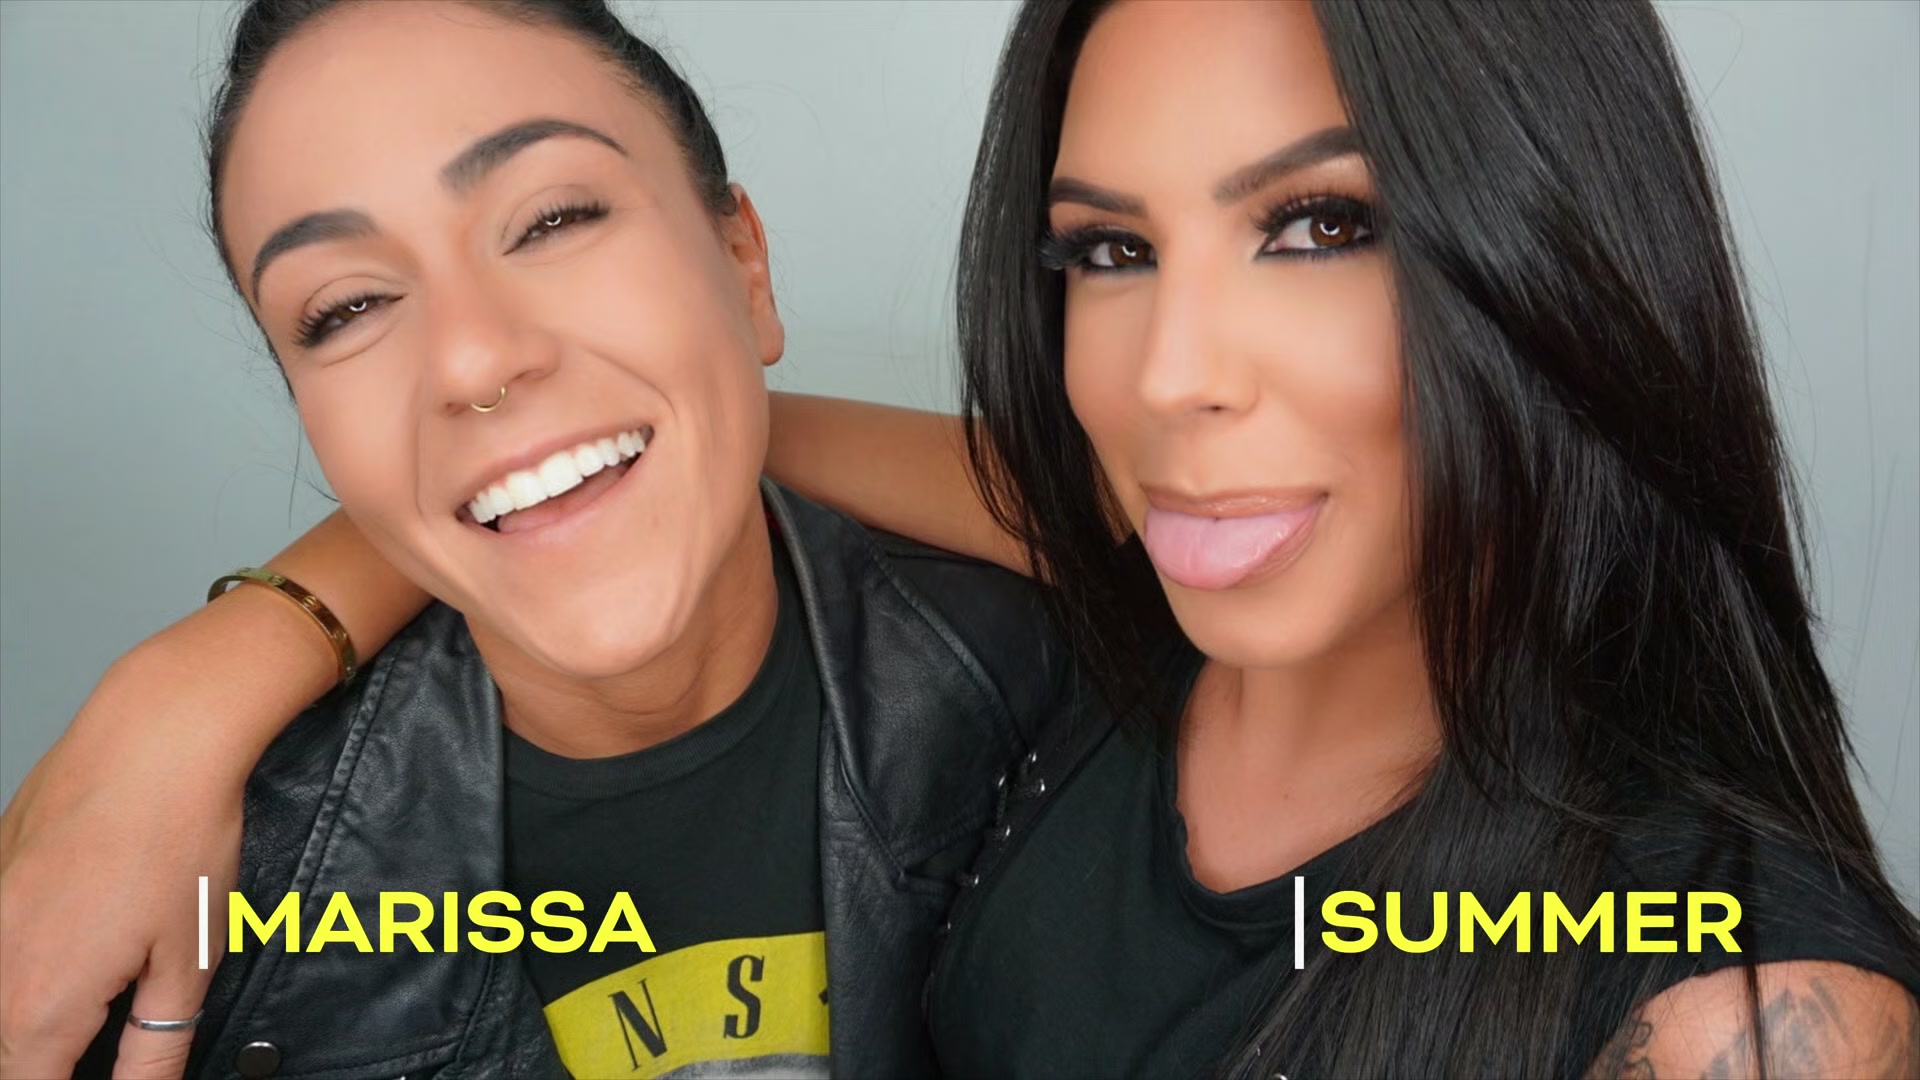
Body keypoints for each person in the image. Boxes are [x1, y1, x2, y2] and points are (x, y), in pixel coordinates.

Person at [6, 0, 1920, 1077]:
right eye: (1108, 251)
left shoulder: (1726, 988)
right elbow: (650, 441)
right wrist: (219, 670)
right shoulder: (1135, 603)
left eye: (1322, 224)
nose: (1170, 375)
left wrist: (228, 653)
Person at [0, 1, 1077, 1077]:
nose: (472, 361)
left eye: (552, 220)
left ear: (742, 262)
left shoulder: (1065, 691)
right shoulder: (164, 895)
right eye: (347, 308)